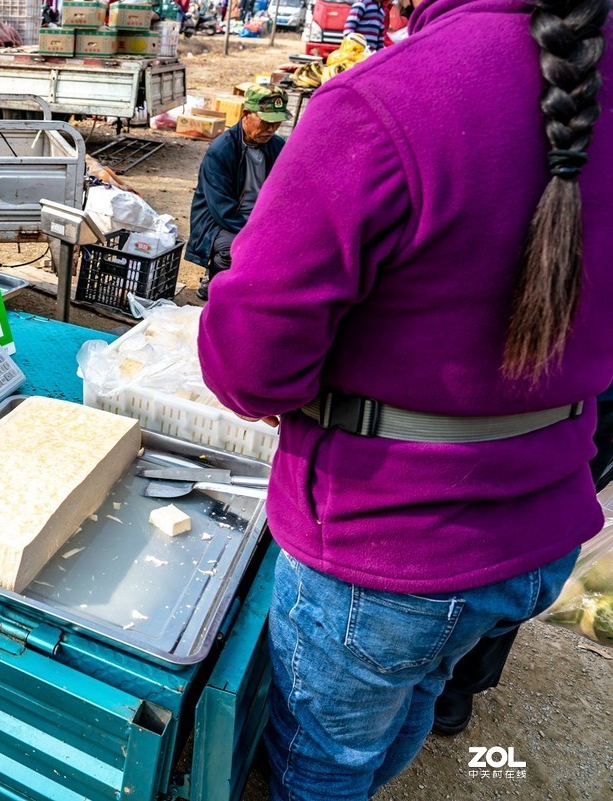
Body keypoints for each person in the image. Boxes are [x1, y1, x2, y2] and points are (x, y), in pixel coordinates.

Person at [197, 0, 612, 796]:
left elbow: (249, 364)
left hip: (388, 548)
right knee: (414, 695)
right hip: (544, 526)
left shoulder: (385, 103)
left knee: (322, 763)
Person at [434, 388, 613, 736]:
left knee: (528, 545)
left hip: (595, 396)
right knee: (452, 522)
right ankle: (416, 656)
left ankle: (464, 678)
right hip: (486, 380)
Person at [185, 85, 290, 301]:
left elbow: (288, 190)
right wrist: (257, 233)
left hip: (259, 219)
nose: (271, 129)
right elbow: (222, 209)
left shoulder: (277, 146)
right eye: (266, 122)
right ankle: (215, 281)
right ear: (246, 115)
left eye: (276, 123)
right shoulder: (222, 150)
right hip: (220, 222)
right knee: (234, 249)